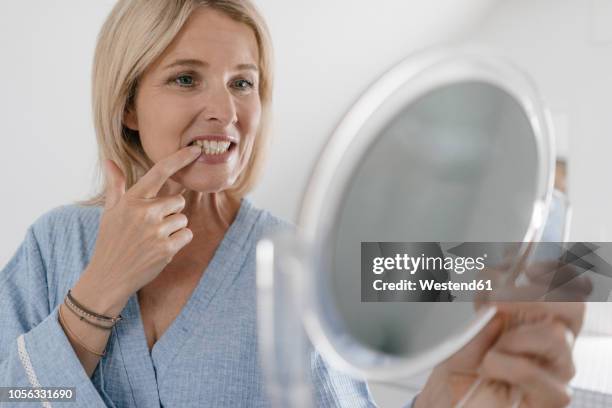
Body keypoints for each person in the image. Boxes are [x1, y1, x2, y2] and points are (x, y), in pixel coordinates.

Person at [0, 1, 583, 407]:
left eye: (242, 82)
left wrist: (447, 395)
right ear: (127, 104)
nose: (225, 112)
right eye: (185, 79)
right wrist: (99, 289)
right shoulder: (55, 248)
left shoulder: (298, 266)